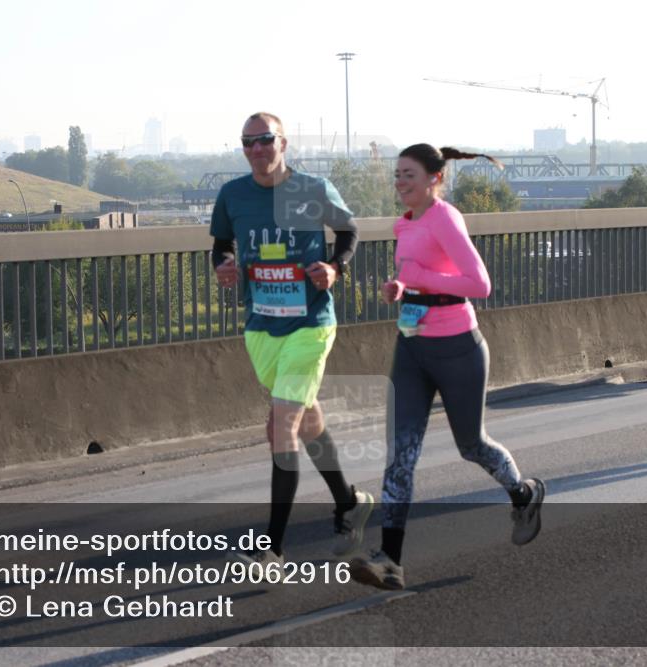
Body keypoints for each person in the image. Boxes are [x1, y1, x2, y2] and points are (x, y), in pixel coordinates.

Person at [349, 144, 545, 591]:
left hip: (458, 347)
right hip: (412, 348)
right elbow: (417, 275)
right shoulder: (404, 223)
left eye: (409, 176)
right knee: (400, 454)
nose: (400, 183)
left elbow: (479, 284)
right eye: (397, 175)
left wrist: (418, 277)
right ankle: (390, 560)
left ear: (435, 178)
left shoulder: (445, 217)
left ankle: (524, 493)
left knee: (471, 444)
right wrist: (400, 286)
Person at [211, 112, 374, 574]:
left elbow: (349, 231)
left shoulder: (313, 189)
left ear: (283, 142)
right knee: (305, 419)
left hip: (310, 324)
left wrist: (335, 267)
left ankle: (272, 550)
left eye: (265, 140)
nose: (257, 149)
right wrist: (223, 264)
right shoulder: (232, 195)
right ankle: (349, 502)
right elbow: (222, 242)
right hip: (261, 325)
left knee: (280, 427)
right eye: (248, 143)